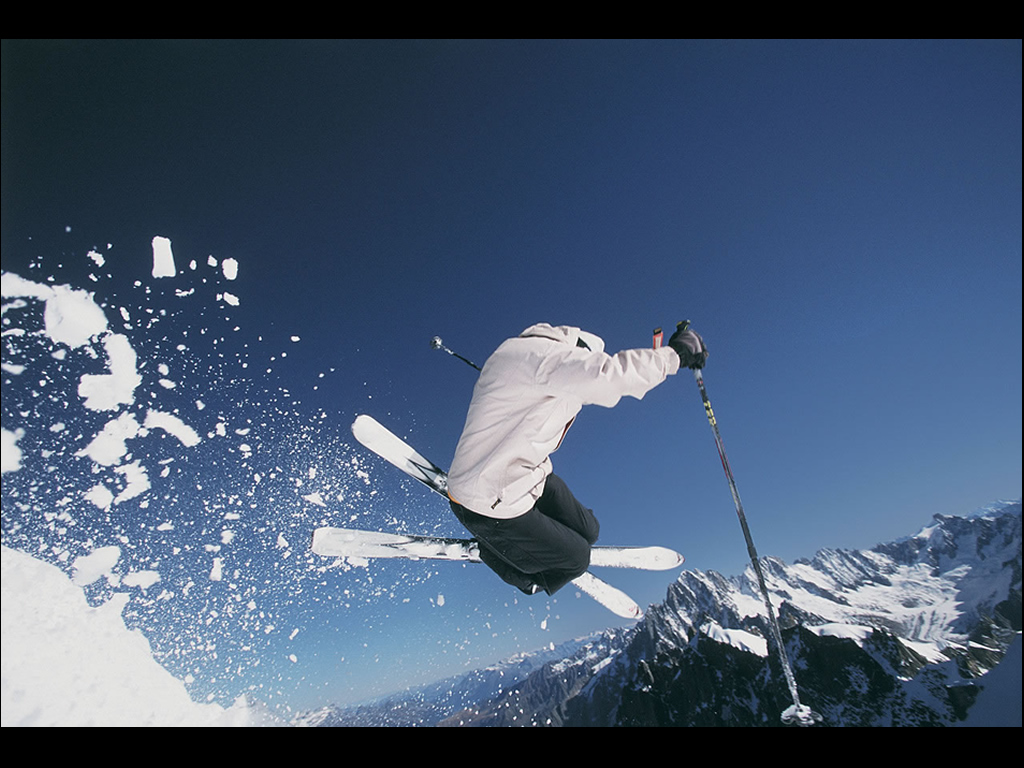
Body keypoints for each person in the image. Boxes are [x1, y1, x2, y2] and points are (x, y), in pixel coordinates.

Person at [447, 322, 707, 596]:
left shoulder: (527, 357)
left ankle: (534, 542)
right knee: (577, 560)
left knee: (590, 529)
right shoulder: (544, 357)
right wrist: (675, 355)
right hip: (486, 499)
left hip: (520, 476)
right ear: (577, 352)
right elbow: (609, 376)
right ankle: (507, 560)